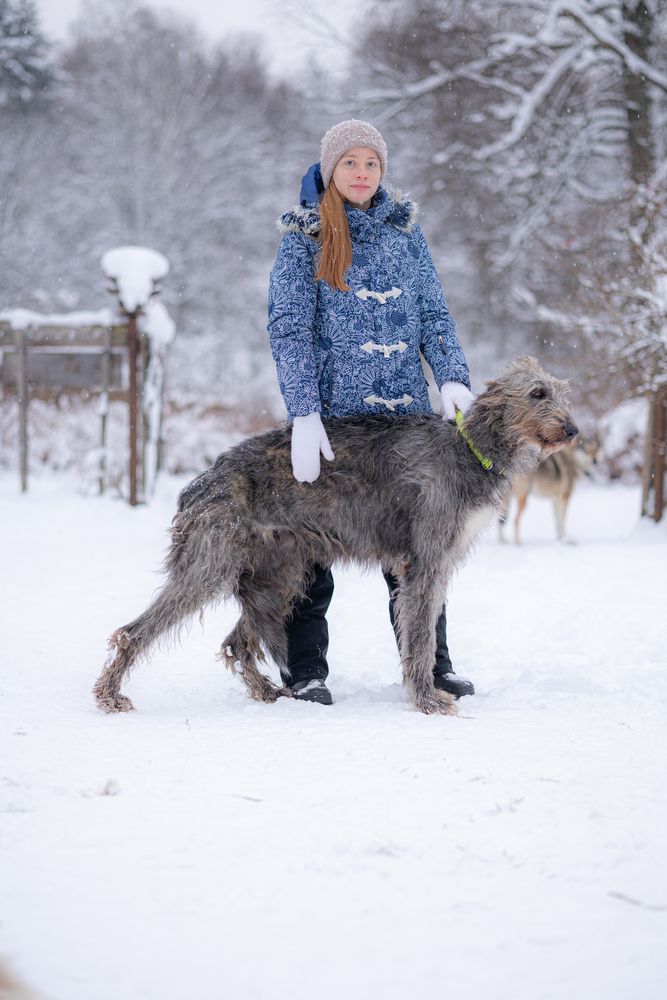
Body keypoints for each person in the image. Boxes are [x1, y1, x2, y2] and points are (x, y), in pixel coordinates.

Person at [267, 119, 475, 705]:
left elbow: (434, 314)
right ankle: (304, 670)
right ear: (331, 169)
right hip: (334, 425)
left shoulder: (406, 232)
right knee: (310, 548)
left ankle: (430, 665)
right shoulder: (304, 236)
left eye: (372, 163)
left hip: (408, 426)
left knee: (418, 550)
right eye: (351, 163)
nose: (362, 173)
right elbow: (290, 329)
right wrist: (304, 413)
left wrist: (453, 378)